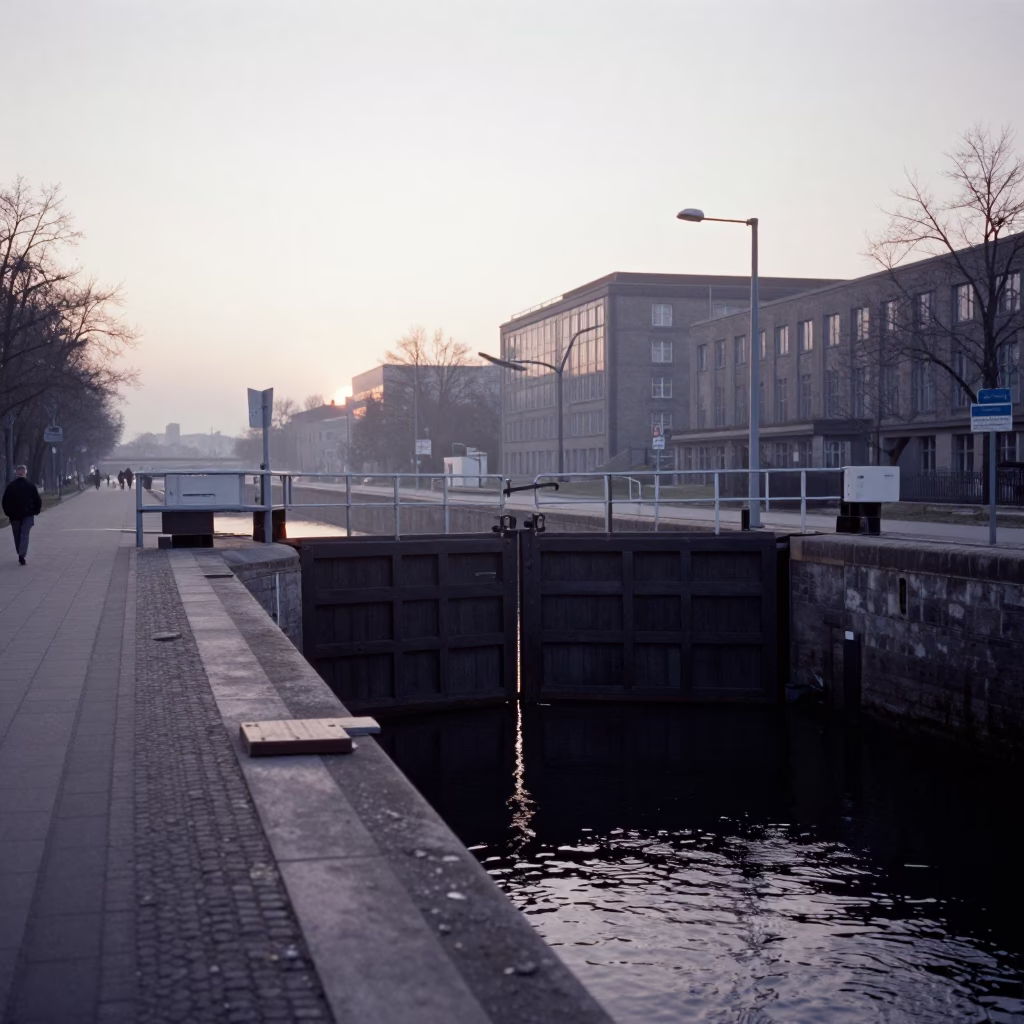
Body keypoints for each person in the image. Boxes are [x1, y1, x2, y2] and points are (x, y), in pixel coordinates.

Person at [2, 465, 42, 566]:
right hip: (27, 514)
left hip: (14, 516)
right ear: (25, 472)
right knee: (25, 535)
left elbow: (5, 501)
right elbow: (38, 500)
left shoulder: (11, 486)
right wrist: (36, 511)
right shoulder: (30, 486)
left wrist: (8, 513)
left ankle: (20, 553)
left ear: (16, 473)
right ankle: (22, 555)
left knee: (17, 535)